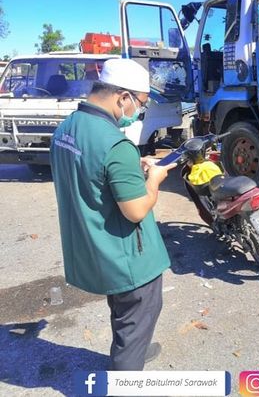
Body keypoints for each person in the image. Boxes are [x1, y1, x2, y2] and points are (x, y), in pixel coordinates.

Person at [50, 58, 176, 370]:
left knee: (123, 310)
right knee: (139, 310)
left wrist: (132, 169)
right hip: (126, 258)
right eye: (141, 104)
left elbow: (90, 174)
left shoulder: (66, 129)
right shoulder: (116, 144)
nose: (139, 111)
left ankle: (131, 349)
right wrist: (154, 180)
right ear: (123, 97)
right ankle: (127, 369)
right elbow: (135, 211)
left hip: (93, 246)